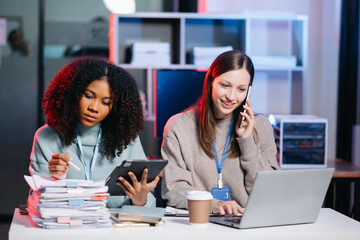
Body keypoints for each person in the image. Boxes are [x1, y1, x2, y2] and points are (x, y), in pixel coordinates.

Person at [161, 50, 280, 216]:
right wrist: (214, 205)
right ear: (210, 82)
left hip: (249, 225)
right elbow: (175, 190)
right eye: (225, 85)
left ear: (249, 92)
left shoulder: (260, 126)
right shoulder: (179, 126)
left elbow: (270, 193)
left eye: (241, 89)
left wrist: (247, 141)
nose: (231, 96)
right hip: (201, 223)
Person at [29, 56, 159, 208]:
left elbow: (148, 201)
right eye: (89, 96)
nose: (94, 108)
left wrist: (140, 199)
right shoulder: (46, 138)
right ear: (72, 93)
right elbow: (37, 202)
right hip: (67, 228)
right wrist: (55, 180)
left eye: (106, 102)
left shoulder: (127, 138)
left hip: (116, 229)